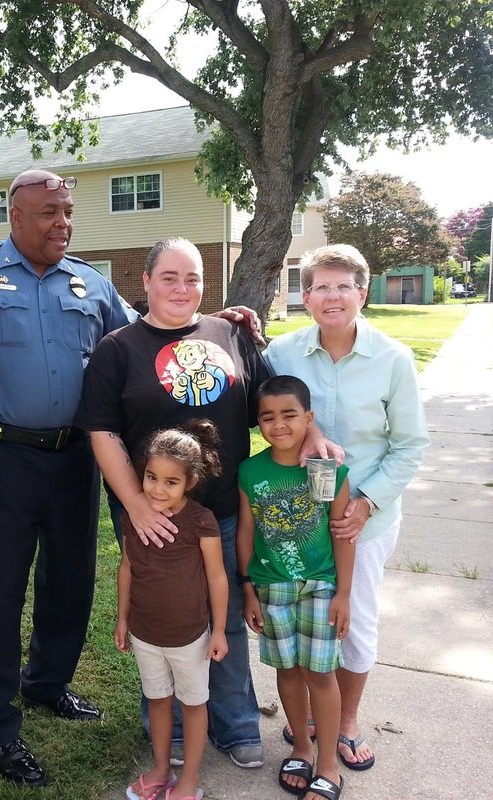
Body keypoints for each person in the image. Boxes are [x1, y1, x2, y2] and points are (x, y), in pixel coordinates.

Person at [0, 169, 135, 786]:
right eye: (49, 212)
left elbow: (142, 339)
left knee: (71, 580)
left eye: (68, 212)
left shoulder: (91, 283)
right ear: (16, 216)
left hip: (77, 457)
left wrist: (217, 323)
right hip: (2, 459)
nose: (63, 223)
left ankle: (48, 683)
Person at [75, 237, 272, 768]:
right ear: (145, 281)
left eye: (193, 278)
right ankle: (175, 732)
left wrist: (313, 434)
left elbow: (269, 404)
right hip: (152, 518)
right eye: (169, 277)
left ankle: (235, 723)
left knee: (223, 616)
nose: (182, 288)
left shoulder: (231, 334)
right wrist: (137, 504)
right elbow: (102, 432)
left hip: (222, 511)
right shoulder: (118, 349)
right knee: (159, 616)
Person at [264, 244, 428, 772]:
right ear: (305, 295)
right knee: (297, 622)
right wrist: (309, 426)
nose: (331, 297)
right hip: (297, 524)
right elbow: (262, 407)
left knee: (350, 623)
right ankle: (308, 715)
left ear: (363, 291)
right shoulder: (281, 354)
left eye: (343, 286)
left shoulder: (393, 359)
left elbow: (410, 446)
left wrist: (366, 500)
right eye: (320, 287)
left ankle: (348, 721)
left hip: (365, 520)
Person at [237, 375, 353, 800]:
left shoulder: (325, 470)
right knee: (287, 671)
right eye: (268, 417)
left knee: (320, 674)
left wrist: (343, 594)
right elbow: (245, 534)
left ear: (309, 418)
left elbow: (341, 532)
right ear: (258, 424)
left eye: (289, 414)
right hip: (272, 587)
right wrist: (248, 587)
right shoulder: (251, 471)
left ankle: (328, 764)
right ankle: (301, 748)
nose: (279, 425)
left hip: (320, 585)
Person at [116, 420, 229, 800]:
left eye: (170, 481)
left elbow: (216, 577)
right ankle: (162, 769)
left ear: (190, 482)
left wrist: (218, 631)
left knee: (193, 704)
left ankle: (189, 780)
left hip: (189, 636)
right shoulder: (133, 514)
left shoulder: (201, 522)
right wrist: (122, 618)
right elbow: (128, 567)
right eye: (151, 477)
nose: (158, 489)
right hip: (145, 634)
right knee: (158, 699)